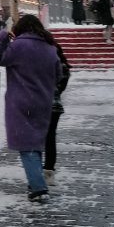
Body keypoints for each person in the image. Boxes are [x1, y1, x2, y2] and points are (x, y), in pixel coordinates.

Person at [0, 13, 62, 203]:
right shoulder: (49, 47)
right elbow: (58, 74)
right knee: (36, 143)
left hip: (21, 102)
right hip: (43, 103)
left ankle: (38, 188)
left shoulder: (19, 46)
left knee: (26, 146)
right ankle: (34, 180)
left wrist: (2, 37)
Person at [43, 40, 71, 185]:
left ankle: (37, 172)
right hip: (55, 106)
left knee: (37, 139)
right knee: (50, 138)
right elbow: (62, 83)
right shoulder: (62, 65)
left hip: (41, 104)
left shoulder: (42, 60)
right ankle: (49, 172)